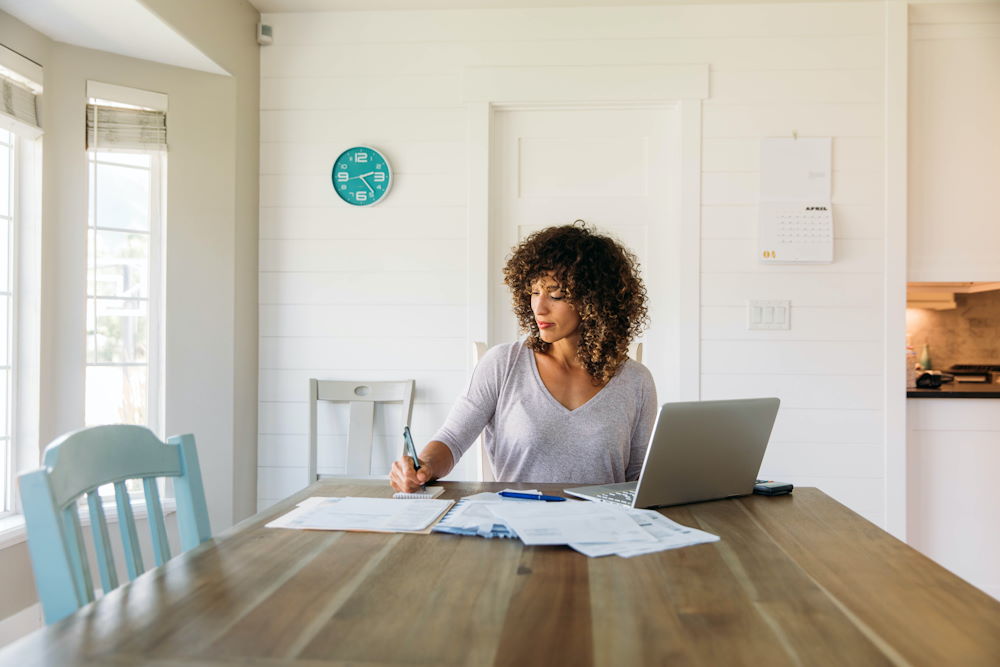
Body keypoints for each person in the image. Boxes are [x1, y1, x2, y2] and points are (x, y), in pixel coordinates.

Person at [389, 222, 657, 493]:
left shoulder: (635, 380)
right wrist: (422, 466)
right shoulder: (503, 364)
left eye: (556, 295)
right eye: (534, 292)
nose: (539, 307)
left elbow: (639, 478)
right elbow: (452, 439)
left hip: (604, 528)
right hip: (517, 525)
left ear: (595, 301)